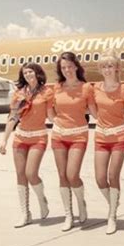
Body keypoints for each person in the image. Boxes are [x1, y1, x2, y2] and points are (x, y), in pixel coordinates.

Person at [0, 63, 52, 227]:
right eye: (25, 73)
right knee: (20, 175)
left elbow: (51, 116)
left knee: (31, 173)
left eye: (31, 72)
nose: (28, 74)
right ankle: (25, 213)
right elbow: (13, 118)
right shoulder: (19, 93)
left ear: (37, 73)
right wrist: (4, 139)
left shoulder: (47, 92)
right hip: (20, 137)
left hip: (38, 137)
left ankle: (42, 200)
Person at [48, 52, 96, 232]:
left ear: (76, 66)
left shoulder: (86, 88)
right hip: (59, 135)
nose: (67, 70)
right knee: (62, 176)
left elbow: (94, 112)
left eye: (69, 66)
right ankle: (68, 214)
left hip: (78, 135)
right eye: (63, 67)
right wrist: (57, 123)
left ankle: (81, 204)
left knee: (72, 174)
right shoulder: (57, 87)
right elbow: (50, 111)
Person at [92, 49, 124, 234]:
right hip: (101, 136)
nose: (107, 69)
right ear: (100, 69)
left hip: (118, 137)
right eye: (104, 66)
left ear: (117, 68)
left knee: (112, 176)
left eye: (110, 65)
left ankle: (111, 216)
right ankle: (114, 204)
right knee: (100, 178)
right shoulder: (96, 88)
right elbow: (93, 109)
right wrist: (101, 121)